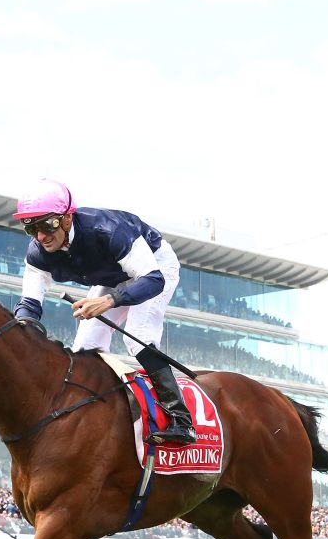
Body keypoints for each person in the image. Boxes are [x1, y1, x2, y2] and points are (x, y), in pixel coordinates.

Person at [12, 178, 195, 445]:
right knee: (85, 347)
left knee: (136, 336)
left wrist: (109, 301)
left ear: (66, 219)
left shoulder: (109, 230)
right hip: (112, 275)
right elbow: (28, 306)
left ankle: (181, 419)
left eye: (46, 224)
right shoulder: (38, 253)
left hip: (155, 267)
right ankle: (97, 415)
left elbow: (153, 280)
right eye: (31, 228)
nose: (40, 236)